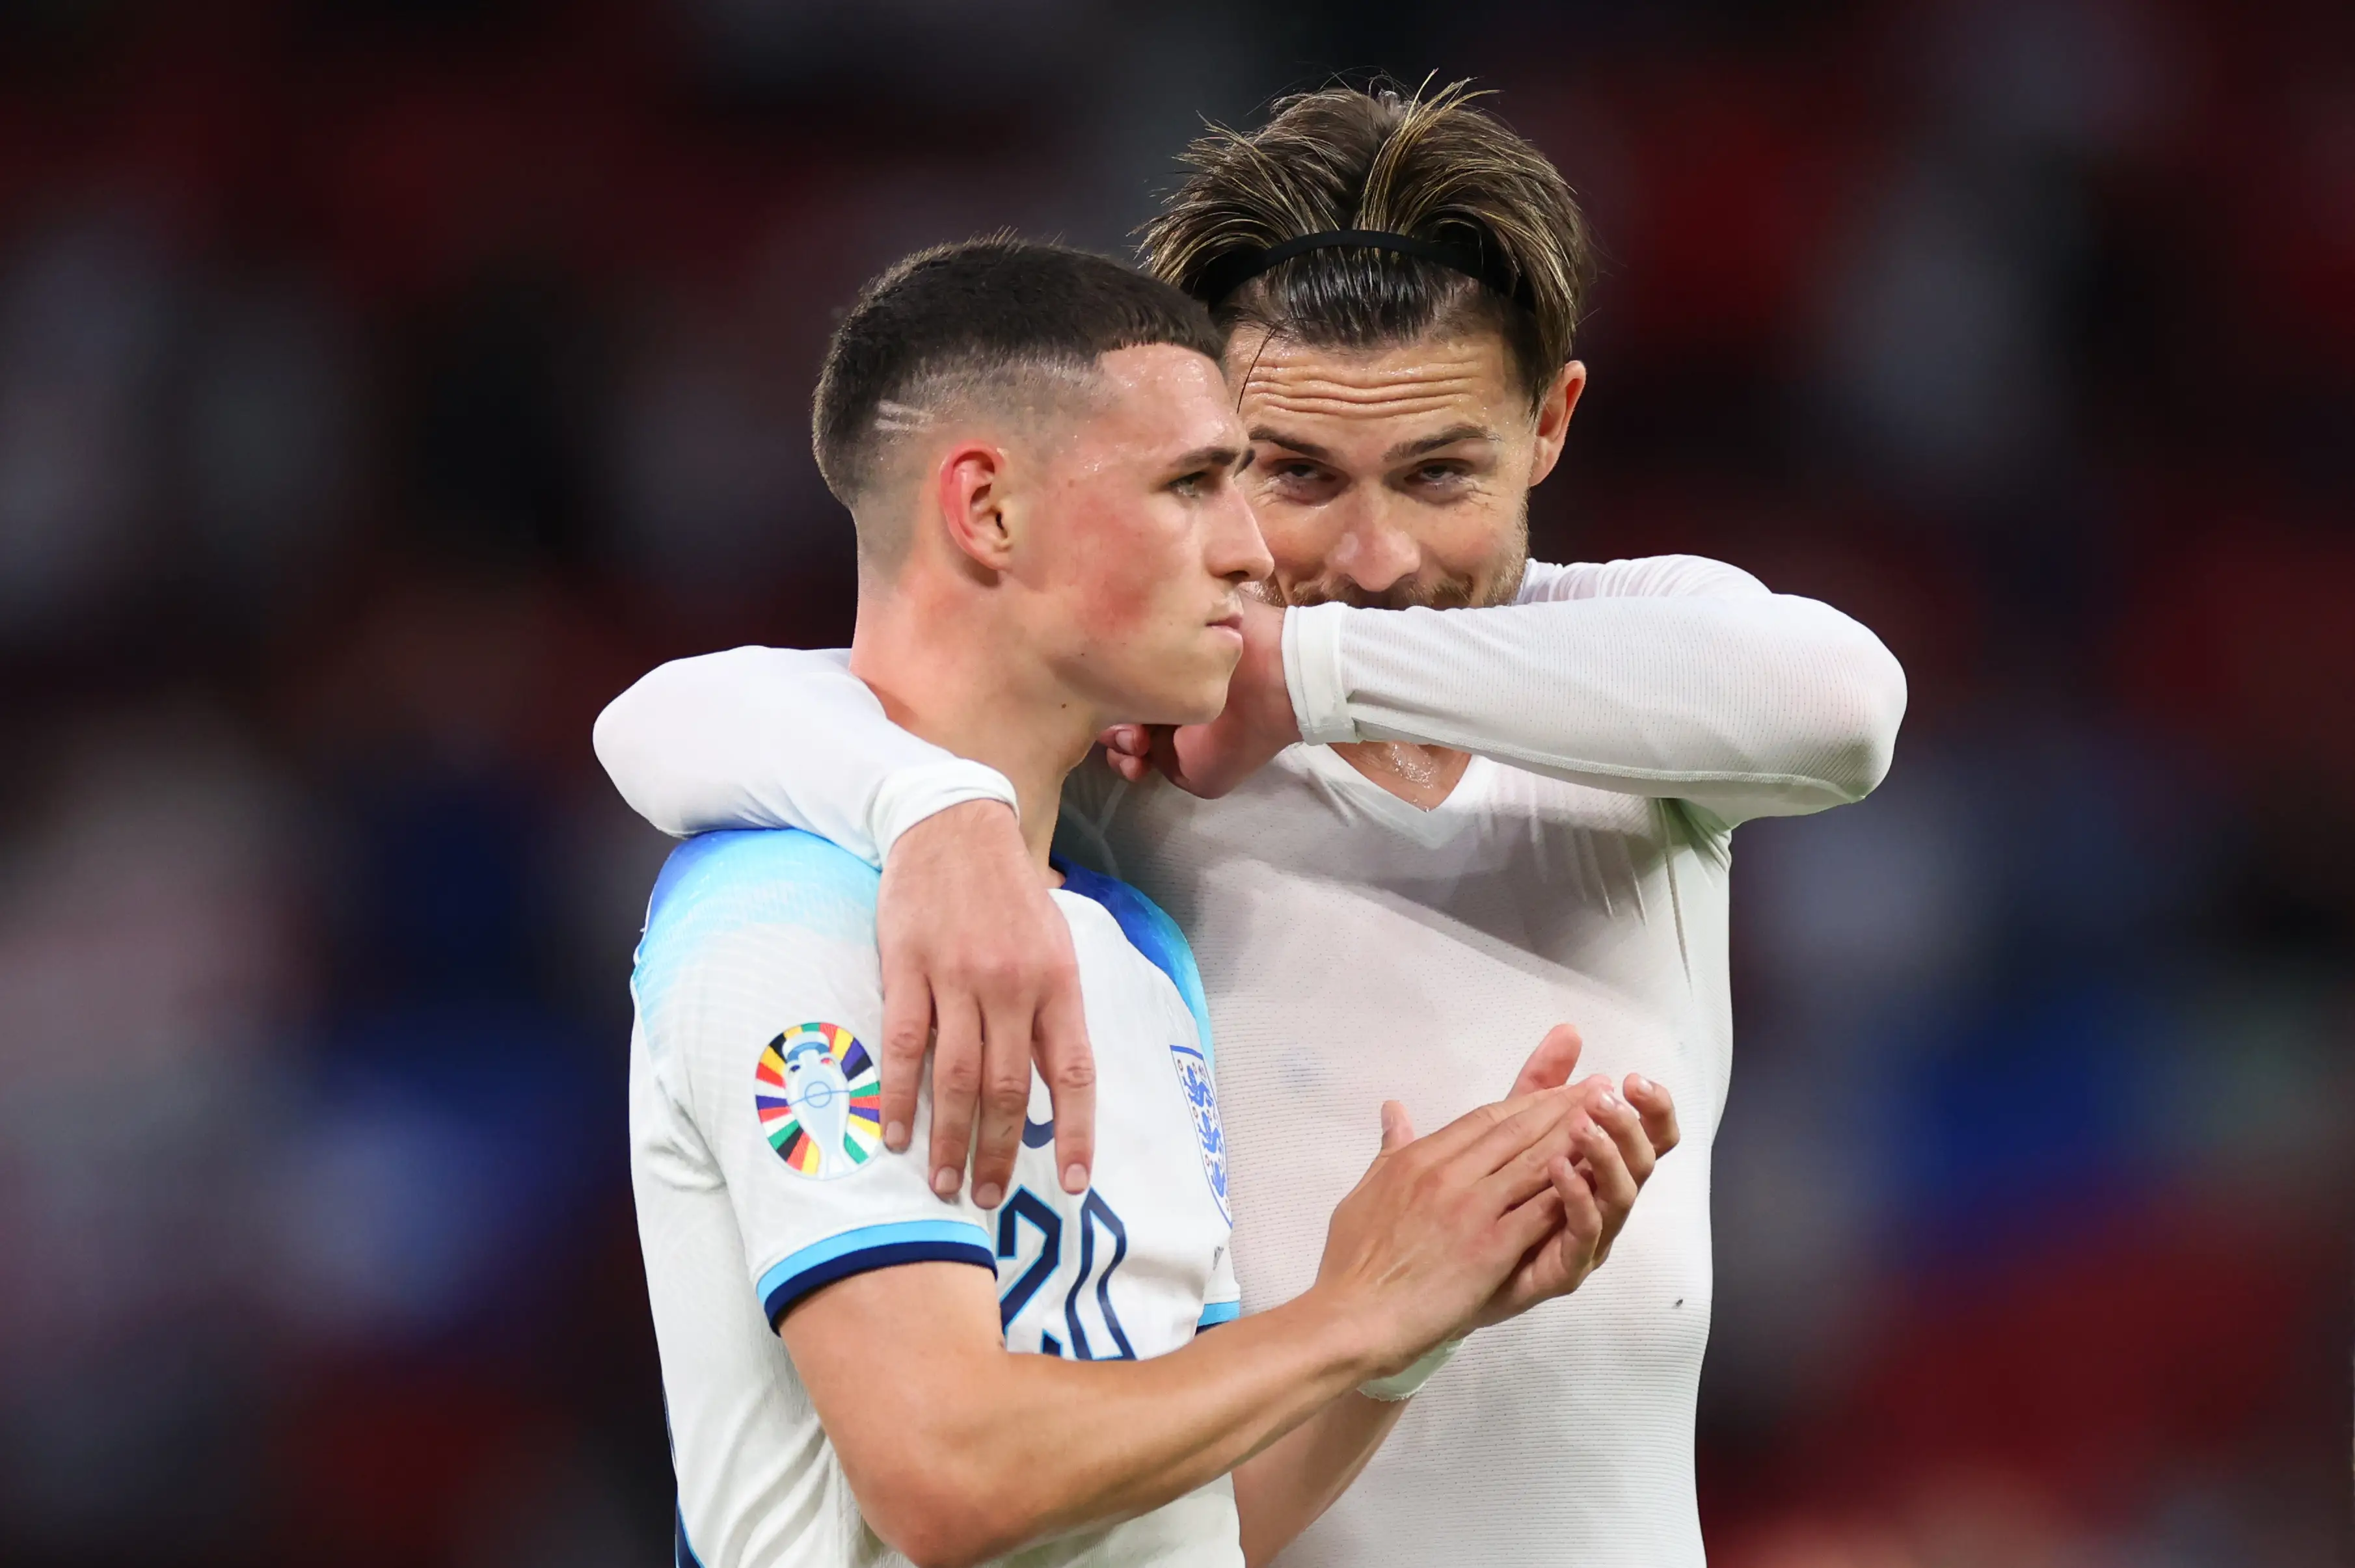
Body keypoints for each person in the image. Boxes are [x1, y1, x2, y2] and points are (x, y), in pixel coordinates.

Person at [600, 84, 1904, 1567]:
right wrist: (938, 811)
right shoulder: (1131, 738)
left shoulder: (1629, 690)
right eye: (1287, 473)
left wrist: (1309, 673)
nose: (1371, 555)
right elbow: (663, 718)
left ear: (1548, 426)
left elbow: (1846, 705)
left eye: (1439, 472)